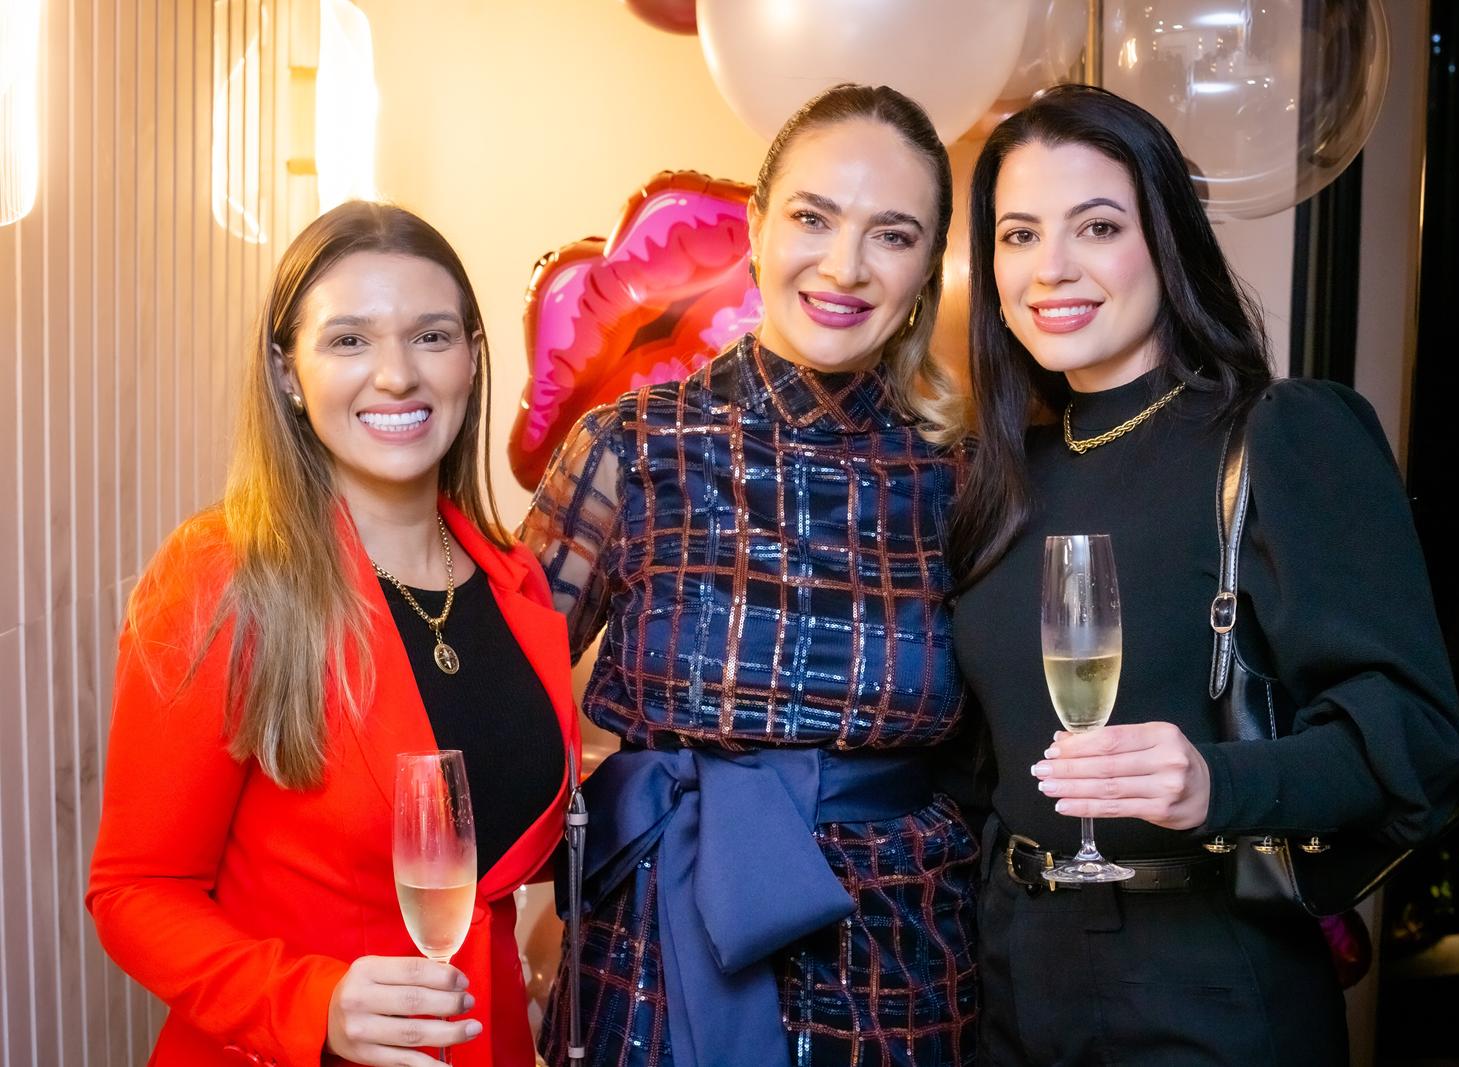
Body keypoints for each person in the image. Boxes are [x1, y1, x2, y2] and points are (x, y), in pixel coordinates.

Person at [947, 85, 1459, 1065]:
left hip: (1208, 984)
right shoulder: (998, 479)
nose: (1050, 267)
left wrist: (1215, 781)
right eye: (1019, 235)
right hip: (1011, 980)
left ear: (1168, 239)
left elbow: (1420, 739)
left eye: (1097, 226)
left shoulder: (1279, 436)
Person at [521, 84, 977, 1067]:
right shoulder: (629, 446)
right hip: (659, 961)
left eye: (892, 235)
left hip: (901, 971)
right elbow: (498, 705)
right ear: (759, 225)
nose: (845, 266)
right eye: (814, 217)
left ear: (926, 267)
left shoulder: (961, 480)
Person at [87, 201, 579, 1067]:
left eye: (431, 336)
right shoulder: (220, 577)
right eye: (349, 340)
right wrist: (315, 1005)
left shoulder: (514, 581)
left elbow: (502, 837)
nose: (396, 375)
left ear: (471, 357)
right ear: (288, 373)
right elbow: (136, 890)